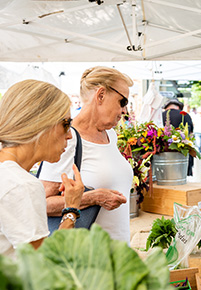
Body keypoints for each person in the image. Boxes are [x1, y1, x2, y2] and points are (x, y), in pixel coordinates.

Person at [0, 80, 84, 258]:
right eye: (66, 124)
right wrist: (71, 210)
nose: (69, 135)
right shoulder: (21, 185)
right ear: (41, 123)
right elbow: (43, 268)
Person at [38, 66, 133, 243]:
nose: (124, 111)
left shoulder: (110, 136)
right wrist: (94, 198)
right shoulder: (68, 138)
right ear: (101, 95)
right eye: (122, 102)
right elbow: (40, 204)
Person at [162, 98, 194, 175]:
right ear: (178, 107)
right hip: (183, 152)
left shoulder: (161, 115)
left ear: (167, 107)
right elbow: (191, 133)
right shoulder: (185, 115)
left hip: (164, 154)